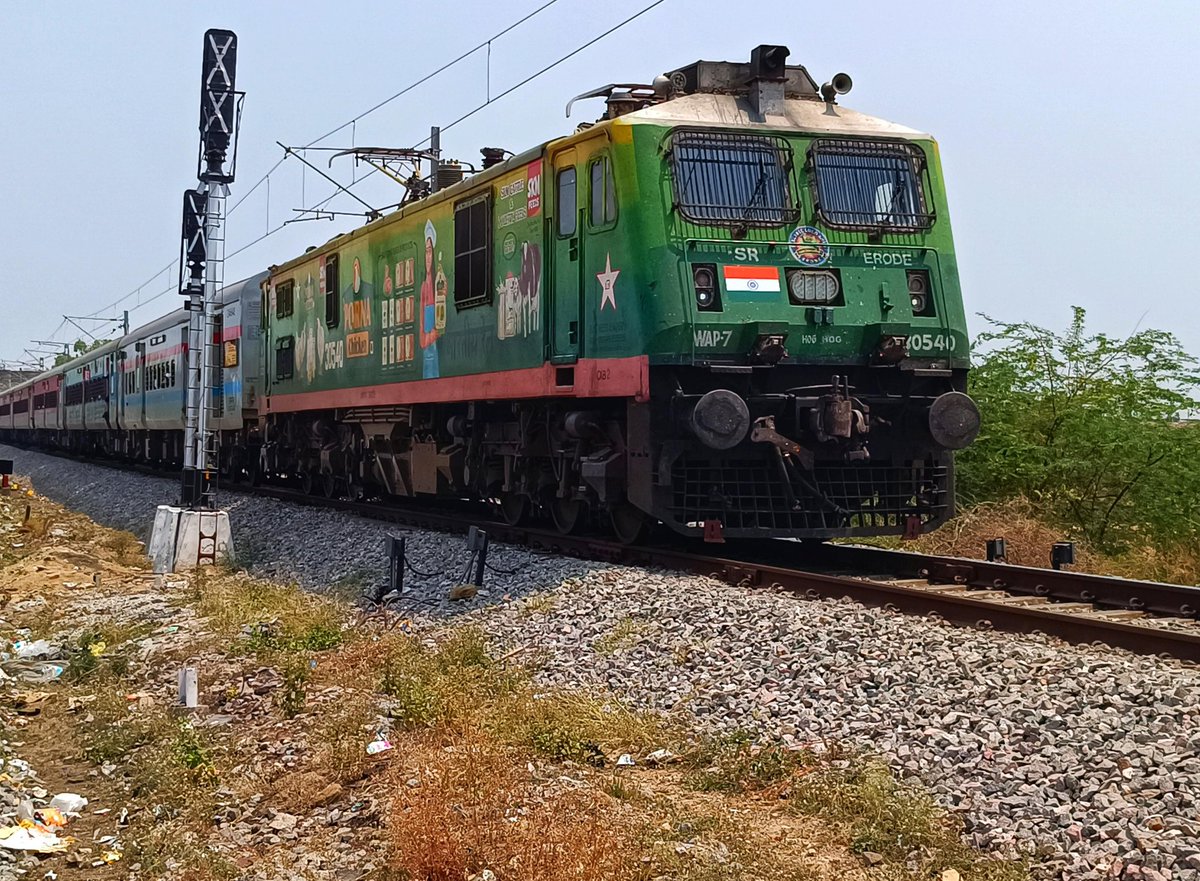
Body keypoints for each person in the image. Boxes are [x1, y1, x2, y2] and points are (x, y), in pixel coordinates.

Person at [419, 220, 440, 379]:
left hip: (436, 351)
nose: (428, 257)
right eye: (425, 252)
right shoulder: (423, 288)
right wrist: (430, 336)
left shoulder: (439, 282)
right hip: (427, 352)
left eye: (430, 251)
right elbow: (421, 336)